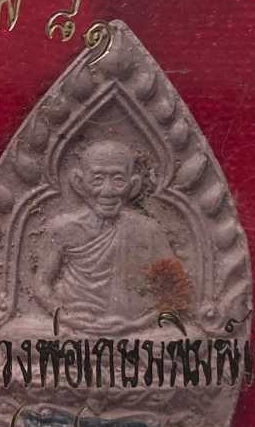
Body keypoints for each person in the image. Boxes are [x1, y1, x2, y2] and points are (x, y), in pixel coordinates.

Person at [33, 139, 186, 336]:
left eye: (118, 180)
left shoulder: (149, 230)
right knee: (10, 334)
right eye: (97, 179)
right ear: (79, 183)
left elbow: (174, 293)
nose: (108, 191)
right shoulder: (62, 229)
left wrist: (134, 325)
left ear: (133, 185)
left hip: (133, 331)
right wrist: (66, 318)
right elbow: (41, 285)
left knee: (191, 338)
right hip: (74, 328)